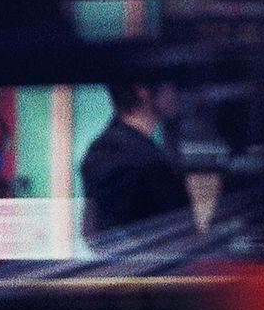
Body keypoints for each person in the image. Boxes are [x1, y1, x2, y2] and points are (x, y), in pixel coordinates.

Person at [80, 66, 194, 247]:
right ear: (141, 89)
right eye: (168, 84)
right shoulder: (117, 152)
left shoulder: (121, 146)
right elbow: (104, 234)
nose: (174, 92)